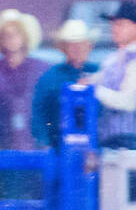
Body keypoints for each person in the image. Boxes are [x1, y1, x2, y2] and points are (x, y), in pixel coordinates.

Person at [83, 0, 136, 151]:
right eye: (114, 24)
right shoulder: (112, 60)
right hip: (111, 141)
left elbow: (129, 102)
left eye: (121, 24)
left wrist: (93, 89)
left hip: (133, 142)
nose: (114, 29)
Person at [0, 10, 47, 152]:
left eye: (16, 34)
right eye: (6, 35)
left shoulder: (41, 69)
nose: (11, 38)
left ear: (25, 37)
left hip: (35, 144)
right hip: (1, 144)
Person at [31, 19, 98, 148]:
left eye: (81, 44)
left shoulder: (100, 73)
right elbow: (39, 112)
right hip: (59, 146)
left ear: (89, 46)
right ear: (64, 48)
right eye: (72, 45)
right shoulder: (51, 76)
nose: (78, 49)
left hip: (95, 147)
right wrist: (44, 143)